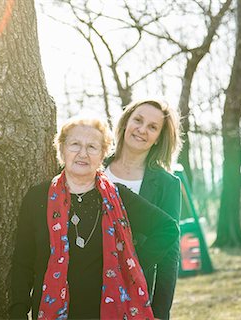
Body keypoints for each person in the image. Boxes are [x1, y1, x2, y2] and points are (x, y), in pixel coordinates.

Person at [9, 117, 179, 320]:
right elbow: (22, 263)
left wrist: (129, 264)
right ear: (62, 150)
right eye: (75, 145)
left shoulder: (119, 197)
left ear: (102, 155)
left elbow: (168, 228)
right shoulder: (38, 198)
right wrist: (17, 313)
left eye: (92, 147)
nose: (83, 153)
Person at [104, 99, 182, 320]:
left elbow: (170, 254)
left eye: (152, 127)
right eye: (138, 120)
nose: (142, 130)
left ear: (159, 138)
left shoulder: (168, 184)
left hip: (137, 293)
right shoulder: (94, 167)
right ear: (126, 122)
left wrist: (160, 312)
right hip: (86, 291)